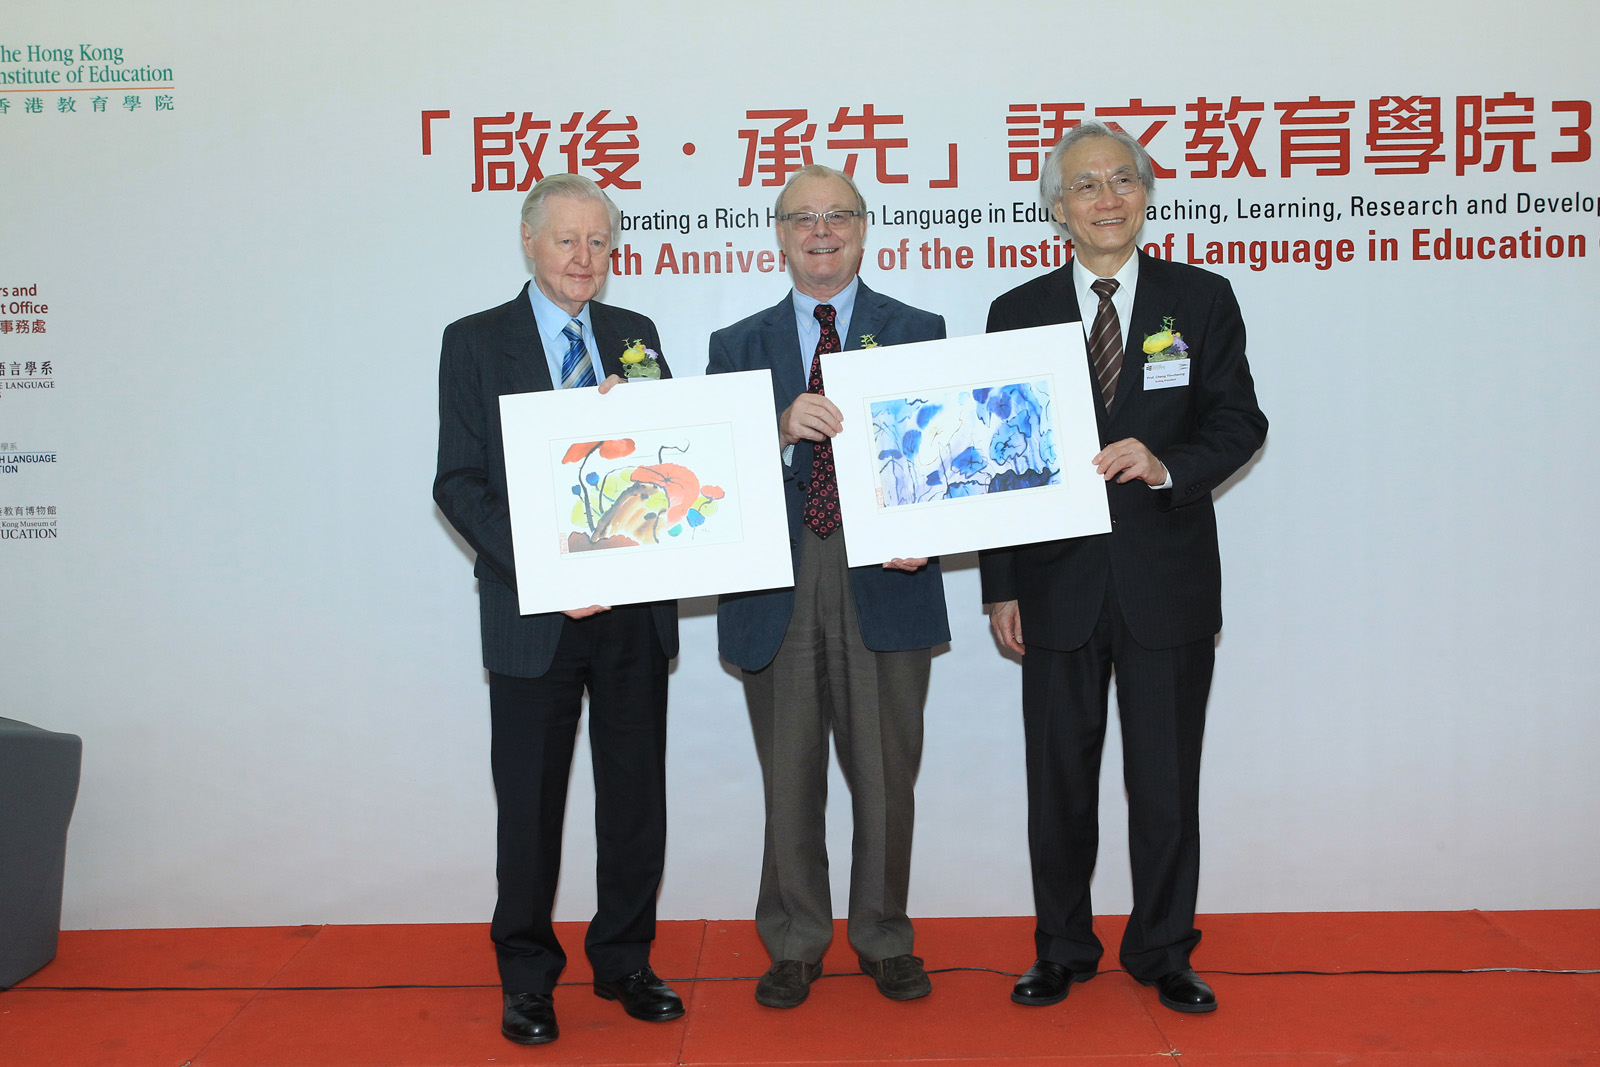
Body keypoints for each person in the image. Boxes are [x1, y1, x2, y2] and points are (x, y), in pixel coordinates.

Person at [981, 123, 1267, 1015]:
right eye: (1085, 186)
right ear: (1056, 208)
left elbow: (1241, 421)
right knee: (1058, 784)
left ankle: (1165, 949)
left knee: (1166, 784)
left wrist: (1167, 462)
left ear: (1146, 194)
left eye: (1123, 181)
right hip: (1053, 586)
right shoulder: (1015, 310)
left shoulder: (1202, 298)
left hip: (1166, 583)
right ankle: (1061, 947)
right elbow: (995, 459)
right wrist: (1001, 585)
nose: (1107, 199)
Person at [433, 173, 683, 1045]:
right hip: (534, 616)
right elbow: (457, 483)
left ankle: (625, 959)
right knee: (530, 807)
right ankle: (528, 978)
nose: (585, 258)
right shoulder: (475, 341)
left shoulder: (636, 335)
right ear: (529, 240)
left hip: (632, 612)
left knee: (635, 799)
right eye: (568, 239)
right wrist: (548, 571)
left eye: (599, 242)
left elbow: (667, 463)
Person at [706, 164, 950, 1008]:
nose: (821, 231)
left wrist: (924, 527)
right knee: (791, 774)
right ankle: (795, 941)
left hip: (886, 575)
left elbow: (949, 454)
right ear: (779, 235)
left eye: (838, 215)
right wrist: (776, 428)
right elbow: (711, 478)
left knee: (885, 776)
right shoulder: (735, 345)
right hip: (779, 578)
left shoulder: (918, 330)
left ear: (863, 227)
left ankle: (884, 934)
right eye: (802, 218)